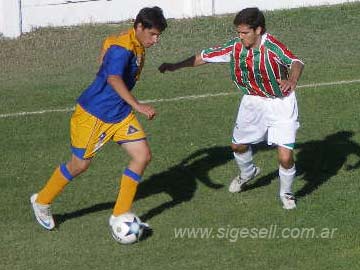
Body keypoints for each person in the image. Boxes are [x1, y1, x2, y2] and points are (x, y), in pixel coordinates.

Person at [30, 6, 168, 232]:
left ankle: (119, 215)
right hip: (95, 115)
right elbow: (113, 78)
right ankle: (42, 201)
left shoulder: (132, 42)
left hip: (119, 113)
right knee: (79, 164)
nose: (156, 40)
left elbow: (108, 42)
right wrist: (138, 105)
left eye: (158, 35)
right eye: (152, 34)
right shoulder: (123, 49)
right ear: (140, 27)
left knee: (142, 156)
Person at [158, 7, 304, 209]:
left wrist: (292, 79)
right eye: (239, 32)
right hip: (252, 102)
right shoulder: (236, 47)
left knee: (285, 156)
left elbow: (296, 61)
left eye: (245, 33)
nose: (240, 36)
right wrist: (175, 66)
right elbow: (204, 56)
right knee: (238, 146)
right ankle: (248, 173)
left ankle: (286, 193)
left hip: (281, 103)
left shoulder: (273, 47)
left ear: (258, 30)